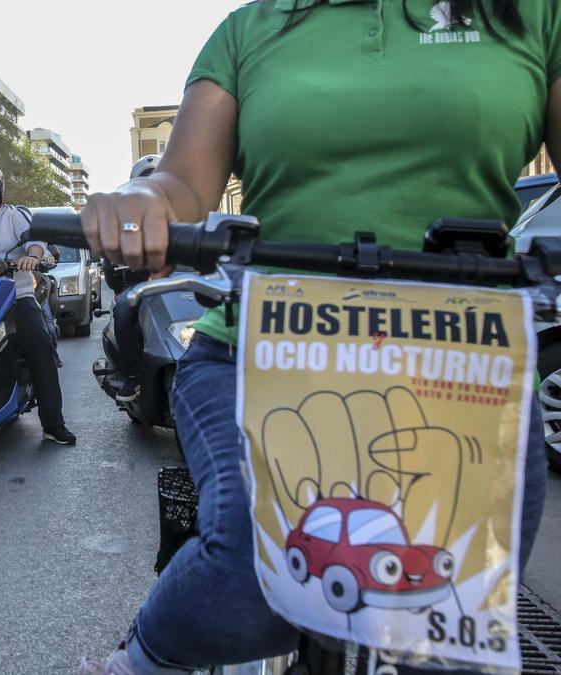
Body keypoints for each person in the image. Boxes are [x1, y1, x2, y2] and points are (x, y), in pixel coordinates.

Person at [80, 1, 557, 672]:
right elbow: (184, 180)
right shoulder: (247, 31)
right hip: (262, 349)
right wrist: (146, 203)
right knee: (258, 564)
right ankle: (138, 658)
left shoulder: (536, 15)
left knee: (454, 614)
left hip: (467, 365)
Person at [0, 159, 76, 445]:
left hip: (14, 296)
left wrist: (33, 256)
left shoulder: (14, 216)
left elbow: (35, 240)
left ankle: (53, 423)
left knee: (40, 346)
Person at [107, 155, 164, 403]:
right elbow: (111, 257)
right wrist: (118, 287)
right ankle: (133, 376)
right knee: (122, 310)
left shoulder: (184, 213)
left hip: (178, 282)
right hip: (138, 285)